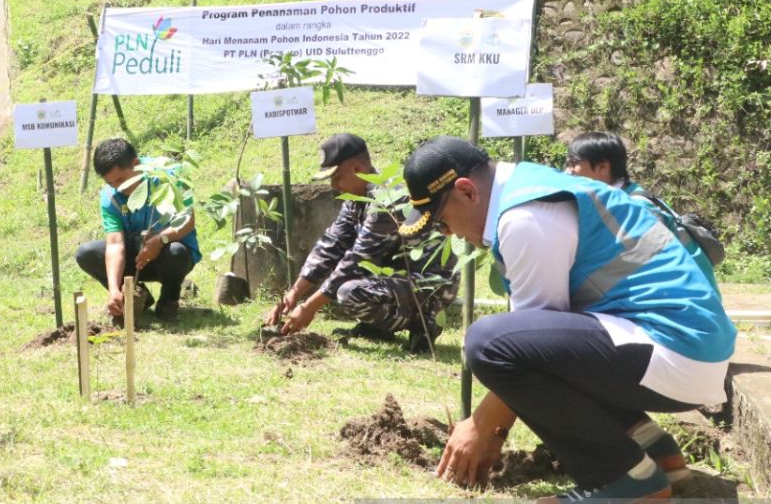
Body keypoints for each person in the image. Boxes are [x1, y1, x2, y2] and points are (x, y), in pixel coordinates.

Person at [400, 136, 735, 501]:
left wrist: (483, 427)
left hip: (674, 348)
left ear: (467, 192)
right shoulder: (535, 186)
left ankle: (627, 483)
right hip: (687, 348)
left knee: (488, 343)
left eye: (443, 221)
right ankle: (654, 451)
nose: (450, 233)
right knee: (530, 343)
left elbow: (525, 347)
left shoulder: (526, 216)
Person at [265, 133, 458, 352]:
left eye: (336, 177)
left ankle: (425, 323)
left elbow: (357, 260)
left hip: (431, 284)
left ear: (357, 169)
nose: (333, 185)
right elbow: (330, 246)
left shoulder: (387, 200)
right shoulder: (356, 200)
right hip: (398, 278)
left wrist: (309, 307)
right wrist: (292, 295)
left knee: (349, 293)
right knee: (347, 287)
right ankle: (380, 327)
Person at [566, 131, 719, 292]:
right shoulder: (622, 198)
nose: (568, 171)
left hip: (691, 296)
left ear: (603, 167)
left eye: (573, 163)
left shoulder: (637, 207)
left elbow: (654, 266)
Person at [75, 138, 199, 324]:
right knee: (86, 253)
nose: (119, 188)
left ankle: (168, 301)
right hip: (134, 258)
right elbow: (115, 244)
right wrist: (114, 288)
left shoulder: (169, 177)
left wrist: (160, 240)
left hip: (168, 255)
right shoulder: (111, 197)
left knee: (176, 252)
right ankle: (136, 295)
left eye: (121, 180)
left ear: (136, 164)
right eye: (111, 183)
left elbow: (187, 221)